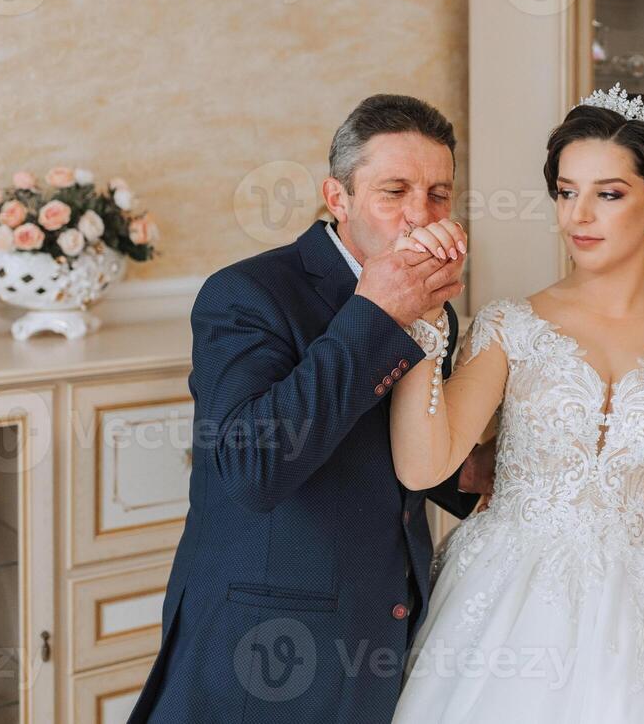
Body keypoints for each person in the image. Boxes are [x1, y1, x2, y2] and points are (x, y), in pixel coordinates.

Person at [387, 85, 644, 722]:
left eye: (607, 194)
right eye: (566, 191)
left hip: (642, 603)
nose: (577, 215)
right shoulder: (511, 327)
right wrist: (420, 328)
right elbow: (424, 468)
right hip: (501, 600)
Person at [129, 95, 492, 723]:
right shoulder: (246, 294)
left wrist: (495, 470)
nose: (418, 217)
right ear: (338, 198)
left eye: (438, 194)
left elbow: (406, 455)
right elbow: (252, 467)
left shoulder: (436, 305)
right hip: (262, 651)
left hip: (382, 635)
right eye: (394, 191)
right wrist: (378, 315)